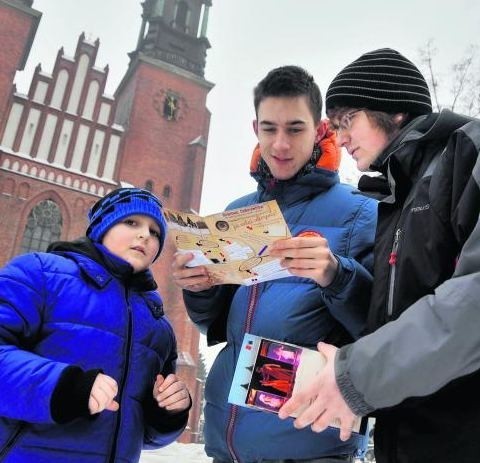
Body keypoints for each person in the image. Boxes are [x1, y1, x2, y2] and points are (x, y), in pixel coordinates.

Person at [278, 48, 480, 463]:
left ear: (395, 111)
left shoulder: (467, 155)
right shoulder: (396, 199)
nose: (340, 137)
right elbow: (396, 319)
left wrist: (355, 375)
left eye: (347, 120)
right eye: (334, 126)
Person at [172, 65, 377, 463]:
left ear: (319, 129)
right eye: (269, 128)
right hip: (226, 445)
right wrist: (200, 288)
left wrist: (336, 275)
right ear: (255, 129)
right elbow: (215, 326)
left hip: (311, 447)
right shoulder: (236, 213)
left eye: (295, 129)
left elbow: (378, 329)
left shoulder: (360, 214)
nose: (280, 143)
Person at [0, 187, 191, 463]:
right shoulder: (40, 273)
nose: (145, 235)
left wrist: (168, 411)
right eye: (131, 222)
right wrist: (64, 387)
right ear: (103, 226)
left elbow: (144, 433)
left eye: (155, 232)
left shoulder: (158, 325)